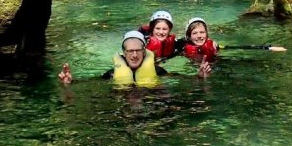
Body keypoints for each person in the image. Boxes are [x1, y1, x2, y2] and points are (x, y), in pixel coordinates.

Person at [58, 30, 211, 86]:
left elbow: (181, 79)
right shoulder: (112, 74)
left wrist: (199, 78)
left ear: (144, 51)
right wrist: (69, 83)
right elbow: (91, 83)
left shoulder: (157, 71)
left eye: (138, 50)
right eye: (130, 51)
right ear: (124, 53)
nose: (135, 55)